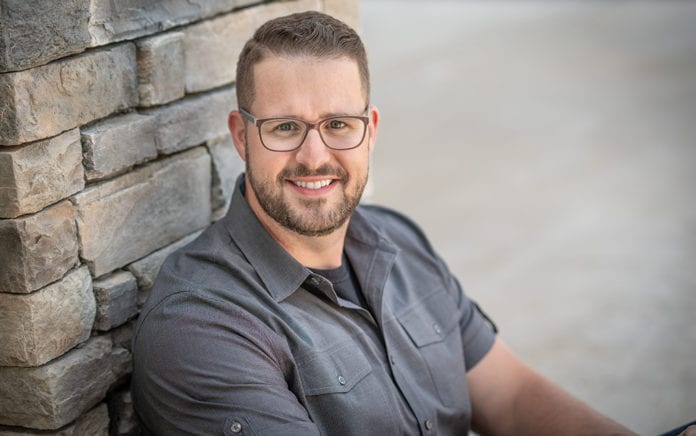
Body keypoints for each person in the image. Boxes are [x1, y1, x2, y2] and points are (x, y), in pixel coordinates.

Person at [131, 11, 636, 435]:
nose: (314, 156)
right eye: (285, 127)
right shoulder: (200, 325)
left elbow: (512, 397)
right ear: (242, 137)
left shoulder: (400, 240)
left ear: (369, 132)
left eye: (338, 125)